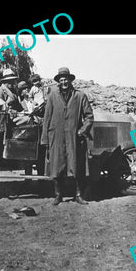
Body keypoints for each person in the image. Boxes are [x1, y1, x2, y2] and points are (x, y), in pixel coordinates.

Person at [41, 67, 94, 206]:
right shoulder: (52, 96)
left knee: (76, 166)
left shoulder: (80, 96)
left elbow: (89, 116)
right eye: (61, 79)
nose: (64, 81)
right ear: (59, 81)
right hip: (56, 136)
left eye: (66, 79)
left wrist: (82, 131)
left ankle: (78, 195)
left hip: (73, 137)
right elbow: (46, 118)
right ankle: (58, 195)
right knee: (56, 166)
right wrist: (45, 139)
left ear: (70, 80)